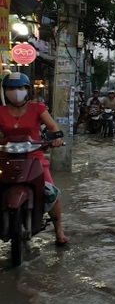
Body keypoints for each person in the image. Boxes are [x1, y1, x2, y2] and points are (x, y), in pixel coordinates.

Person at [0, 72, 67, 245]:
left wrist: (55, 138)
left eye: (20, 88)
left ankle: (59, 232)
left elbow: (52, 127)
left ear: (27, 90)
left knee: (51, 192)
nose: (15, 91)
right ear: (5, 91)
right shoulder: (0, 111)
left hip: (34, 157)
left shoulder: (38, 108)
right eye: (11, 88)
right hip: (5, 157)